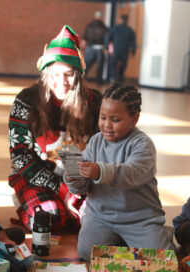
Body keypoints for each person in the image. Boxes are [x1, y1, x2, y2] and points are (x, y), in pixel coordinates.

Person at [64, 83, 175, 261]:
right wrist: (73, 177)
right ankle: (123, 242)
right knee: (86, 253)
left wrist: (100, 170)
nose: (107, 125)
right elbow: (80, 188)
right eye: (102, 117)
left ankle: (158, 236)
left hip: (139, 219)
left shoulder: (142, 144)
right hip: (100, 217)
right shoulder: (95, 141)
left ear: (134, 119)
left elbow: (132, 173)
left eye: (115, 120)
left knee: (161, 259)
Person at [8, 25, 102, 233]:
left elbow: (103, 148)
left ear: (79, 75)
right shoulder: (26, 100)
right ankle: (26, 201)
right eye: (55, 74)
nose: (62, 82)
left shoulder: (94, 101)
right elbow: (21, 157)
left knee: (93, 222)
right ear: (45, 74)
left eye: (69, 74)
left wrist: (80, 189)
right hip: (36, 175)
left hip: (81, 178)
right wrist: (62, 190)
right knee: (48, 219)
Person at [104, 14, 136, 83]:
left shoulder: (115, 28)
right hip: (125, 50)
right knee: (123, 64)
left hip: (116, 49)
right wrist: (133, 51)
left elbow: (108, 37)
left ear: (120, 20)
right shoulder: (130, 30)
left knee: (113, 63)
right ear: (127, 20)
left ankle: (113, 77)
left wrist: (106, 47)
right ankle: (120, 78)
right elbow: (133, 42)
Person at [81, 11, 109, 84]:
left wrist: (83, 43)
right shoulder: (104, 27)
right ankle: (99, 81)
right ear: (101, 17)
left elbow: (85, 36)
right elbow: (107, 38)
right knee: (100, 66)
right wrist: (106, 48)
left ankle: (82, 78)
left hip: (90, 48)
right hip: (100, 48)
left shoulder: (89, 25)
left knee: (86, 65)